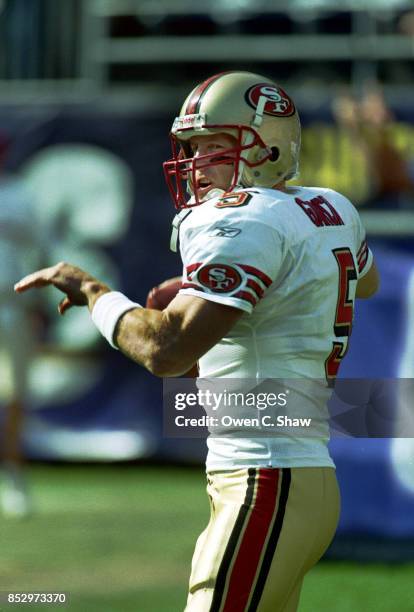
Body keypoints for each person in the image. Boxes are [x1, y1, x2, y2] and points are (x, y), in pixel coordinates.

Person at [15, 72, 379, 611]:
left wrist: (95, 294)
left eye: (216, 145)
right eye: (194, 146)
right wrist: (222, 290)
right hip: (300, 477)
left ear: (269, 146)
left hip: (263, 480)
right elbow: (362, 282)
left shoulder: (246, 219)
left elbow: (166, 351)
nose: (198, 162)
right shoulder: (331, 208)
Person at [0, 132, 41, 517]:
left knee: (14, 398)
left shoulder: (19, 195)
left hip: (10, 305)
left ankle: (14, 479)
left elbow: (36, 251)